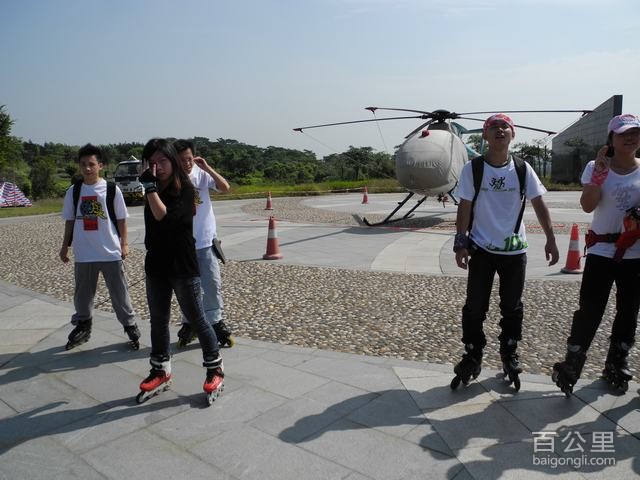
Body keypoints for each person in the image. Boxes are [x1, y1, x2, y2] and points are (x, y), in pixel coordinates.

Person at [450, 113, 559, 391]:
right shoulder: (473, 169)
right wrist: (460, 242)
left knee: (512, 307)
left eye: (505, 126)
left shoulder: (523, 168)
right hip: (482, 250)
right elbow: (464, 206)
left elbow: (539, 203)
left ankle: (509, 351)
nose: (500, 130)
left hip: (514, 252)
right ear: (485, 135)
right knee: (475, 307)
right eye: (493, 127)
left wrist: (550, 238)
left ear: (513, 134)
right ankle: (473, 353)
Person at [552, 114, 640, 396]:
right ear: (611, 138)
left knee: (629, 311)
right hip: (602, 251)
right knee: (590, 309)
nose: (630, 138)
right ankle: (573, 361)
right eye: (623, 133)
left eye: (635, 133)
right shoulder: (596, 166)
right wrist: (598, 178)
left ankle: (617, 360)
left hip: (635, 253)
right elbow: (587, 206)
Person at [136, 138, 224, 404]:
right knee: (158, 320)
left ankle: (215, 367)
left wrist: (150, 188)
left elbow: (162, 216)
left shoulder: (185, 188)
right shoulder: (153, 188)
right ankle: (160, 369)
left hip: (183, 265)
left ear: (172, 162)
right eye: (151, 162)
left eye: (162, 161)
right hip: (156, 264)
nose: (157, 167)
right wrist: (151, 188)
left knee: (197, 318)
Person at [59, 143, 141, 350]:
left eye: (91, 164)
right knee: (82, 295)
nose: (87, 168)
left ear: (101, 165)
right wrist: (64, 246)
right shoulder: (74, 191)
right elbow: (70, 221)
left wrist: (124, 244)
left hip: (110, 251)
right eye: (83, 164)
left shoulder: (112, 190)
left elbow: (121, 219)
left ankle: (130, 324)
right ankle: (83, 325)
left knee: (119, 293)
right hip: (84, 253)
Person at [172, 139, 233, 348]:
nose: (187, 164)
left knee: (212, 284)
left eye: (189, 159)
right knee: (187, 288)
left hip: (206, 242)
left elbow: (225, 187)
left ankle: (216, 321)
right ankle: (189, 322)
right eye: (182, 160)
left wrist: (206, 167)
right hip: (183, 245)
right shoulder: (171, 179)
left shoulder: (201, 174)